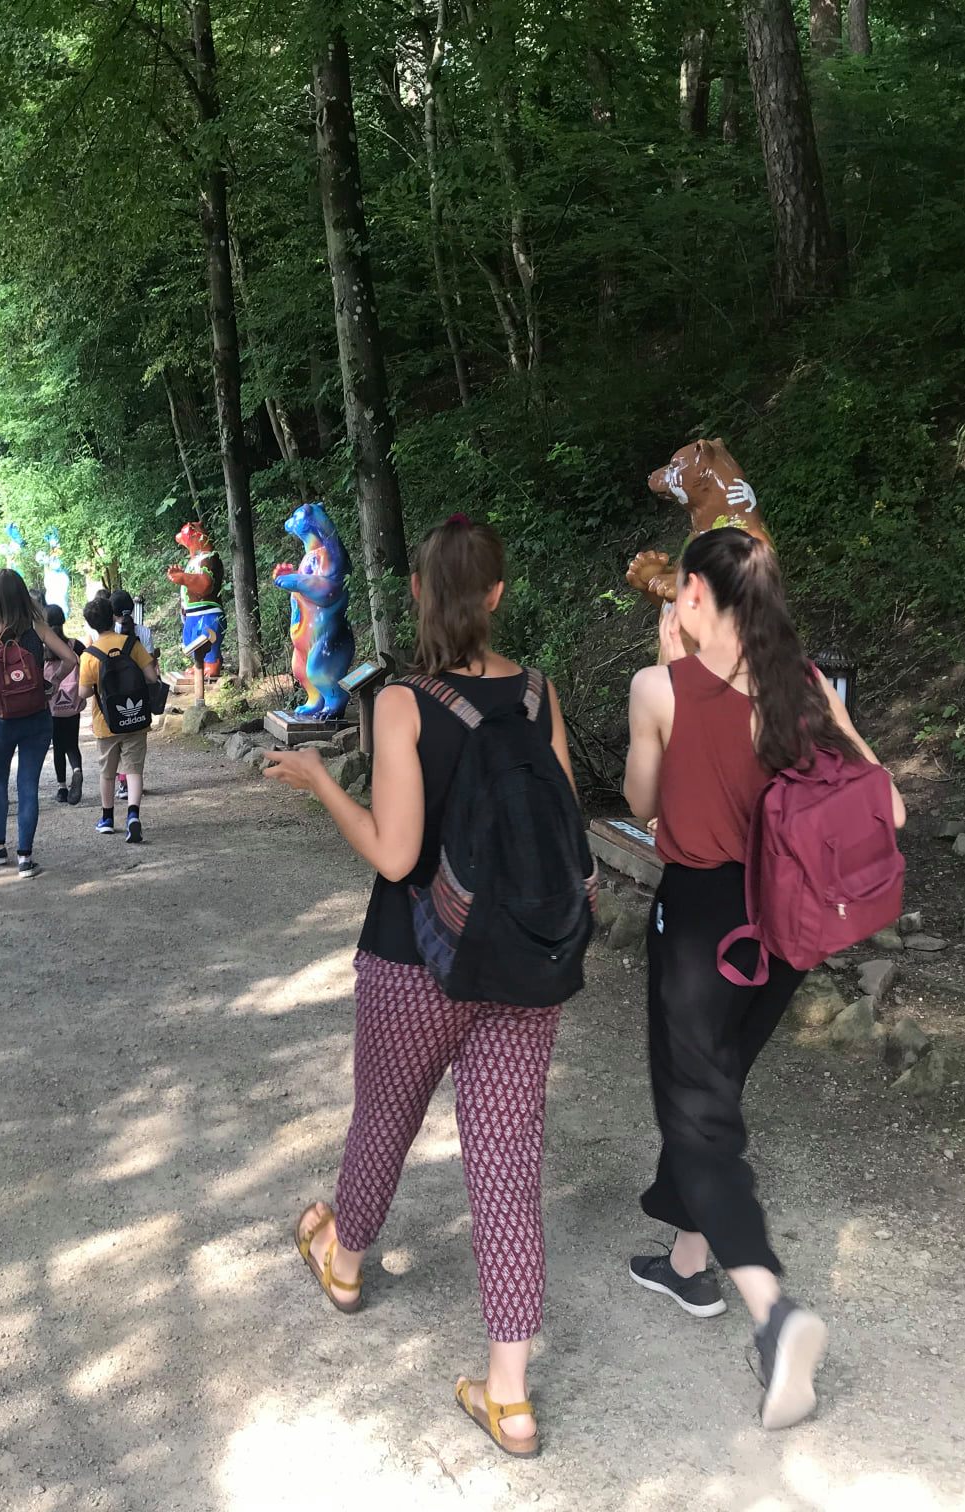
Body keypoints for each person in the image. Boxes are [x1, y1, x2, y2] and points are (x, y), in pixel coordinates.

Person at [262, 516, 586, 1460]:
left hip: (417, 960)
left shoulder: (404, 703)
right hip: (522, 964)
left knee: (385, 1116)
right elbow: (563, 828)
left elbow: (397, 855)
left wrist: (322, 783)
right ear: (496, 595)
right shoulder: (539, 695)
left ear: (415, 593)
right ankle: (509, 1396)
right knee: (507, 1164)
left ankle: (345, 1262)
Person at [621, 527, 904, 1432]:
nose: (675, 602)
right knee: (715, 1089)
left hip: (703, 919)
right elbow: (889, 803)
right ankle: (688, 1263)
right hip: (784, 924)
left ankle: (774, 1313)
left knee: (697, 1114)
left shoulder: (660, 688)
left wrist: (669, 674)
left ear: (699, 596)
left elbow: (640, 802)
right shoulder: (802, 685)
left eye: (682, 589)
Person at [0, 568, 78, 878]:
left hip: (3, 718)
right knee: (28, 784)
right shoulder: (38, 628)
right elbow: (70, 658)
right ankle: (25, 858)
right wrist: (52, 683)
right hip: (37, 717)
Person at [77, 595, 156, 843]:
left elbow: (83, 692)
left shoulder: (89, 655)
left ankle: (107, 819)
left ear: (91, 624)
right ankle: (133, 815)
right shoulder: (131, 644)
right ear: (113, 617)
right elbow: (152, 677)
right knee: (133, 770)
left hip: (106, 722)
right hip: (136, 717)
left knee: (107, 773)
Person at [45, 604, 87, 805]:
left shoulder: (43, 649)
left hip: (52, 706)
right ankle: (77, 770)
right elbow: (88, 662)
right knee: (72, 743)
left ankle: (62, 788)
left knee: (58, 746)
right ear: (63, 621)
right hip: (72, 703)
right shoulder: (74, 645)